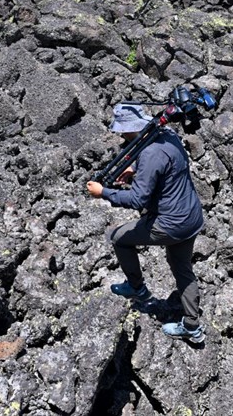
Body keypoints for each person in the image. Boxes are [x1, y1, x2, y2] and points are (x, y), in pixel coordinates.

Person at [86, 103, 206, 344]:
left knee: (118, 238)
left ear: (129, 129)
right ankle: (192, 326)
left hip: (169, 223)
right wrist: (134, 168)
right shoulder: (167, 134)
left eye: (123, 132)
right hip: (191, 217)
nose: (122, 136)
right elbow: (163, 165)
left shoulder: (150, 154)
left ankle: (137, 288)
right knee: (182, 268)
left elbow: (136, 199)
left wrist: (104, 192)